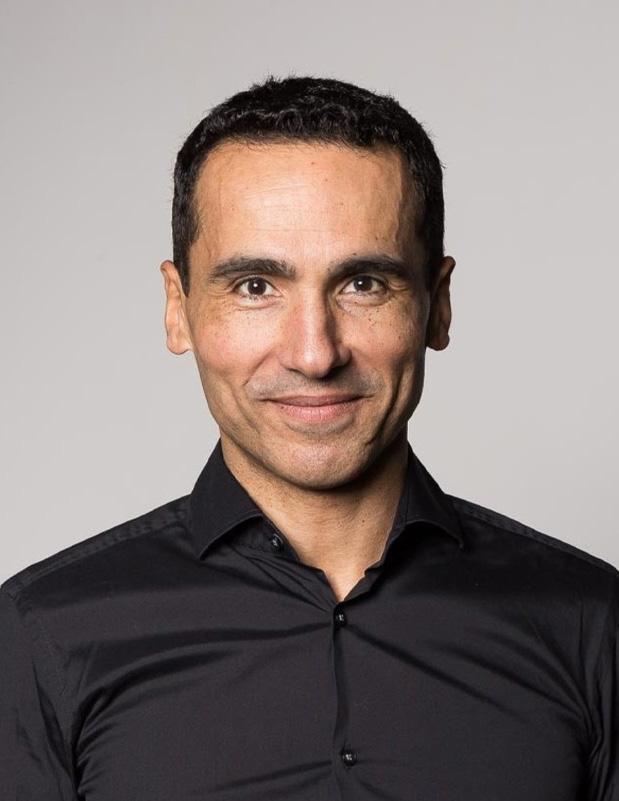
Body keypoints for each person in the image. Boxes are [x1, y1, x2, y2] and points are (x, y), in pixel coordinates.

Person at [1, 75, 617, 801]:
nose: (314, 353)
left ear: (438, 306)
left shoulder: (590, 623)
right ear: (178, 307)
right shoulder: (42, 635)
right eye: (255, 286)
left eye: (363, 283)